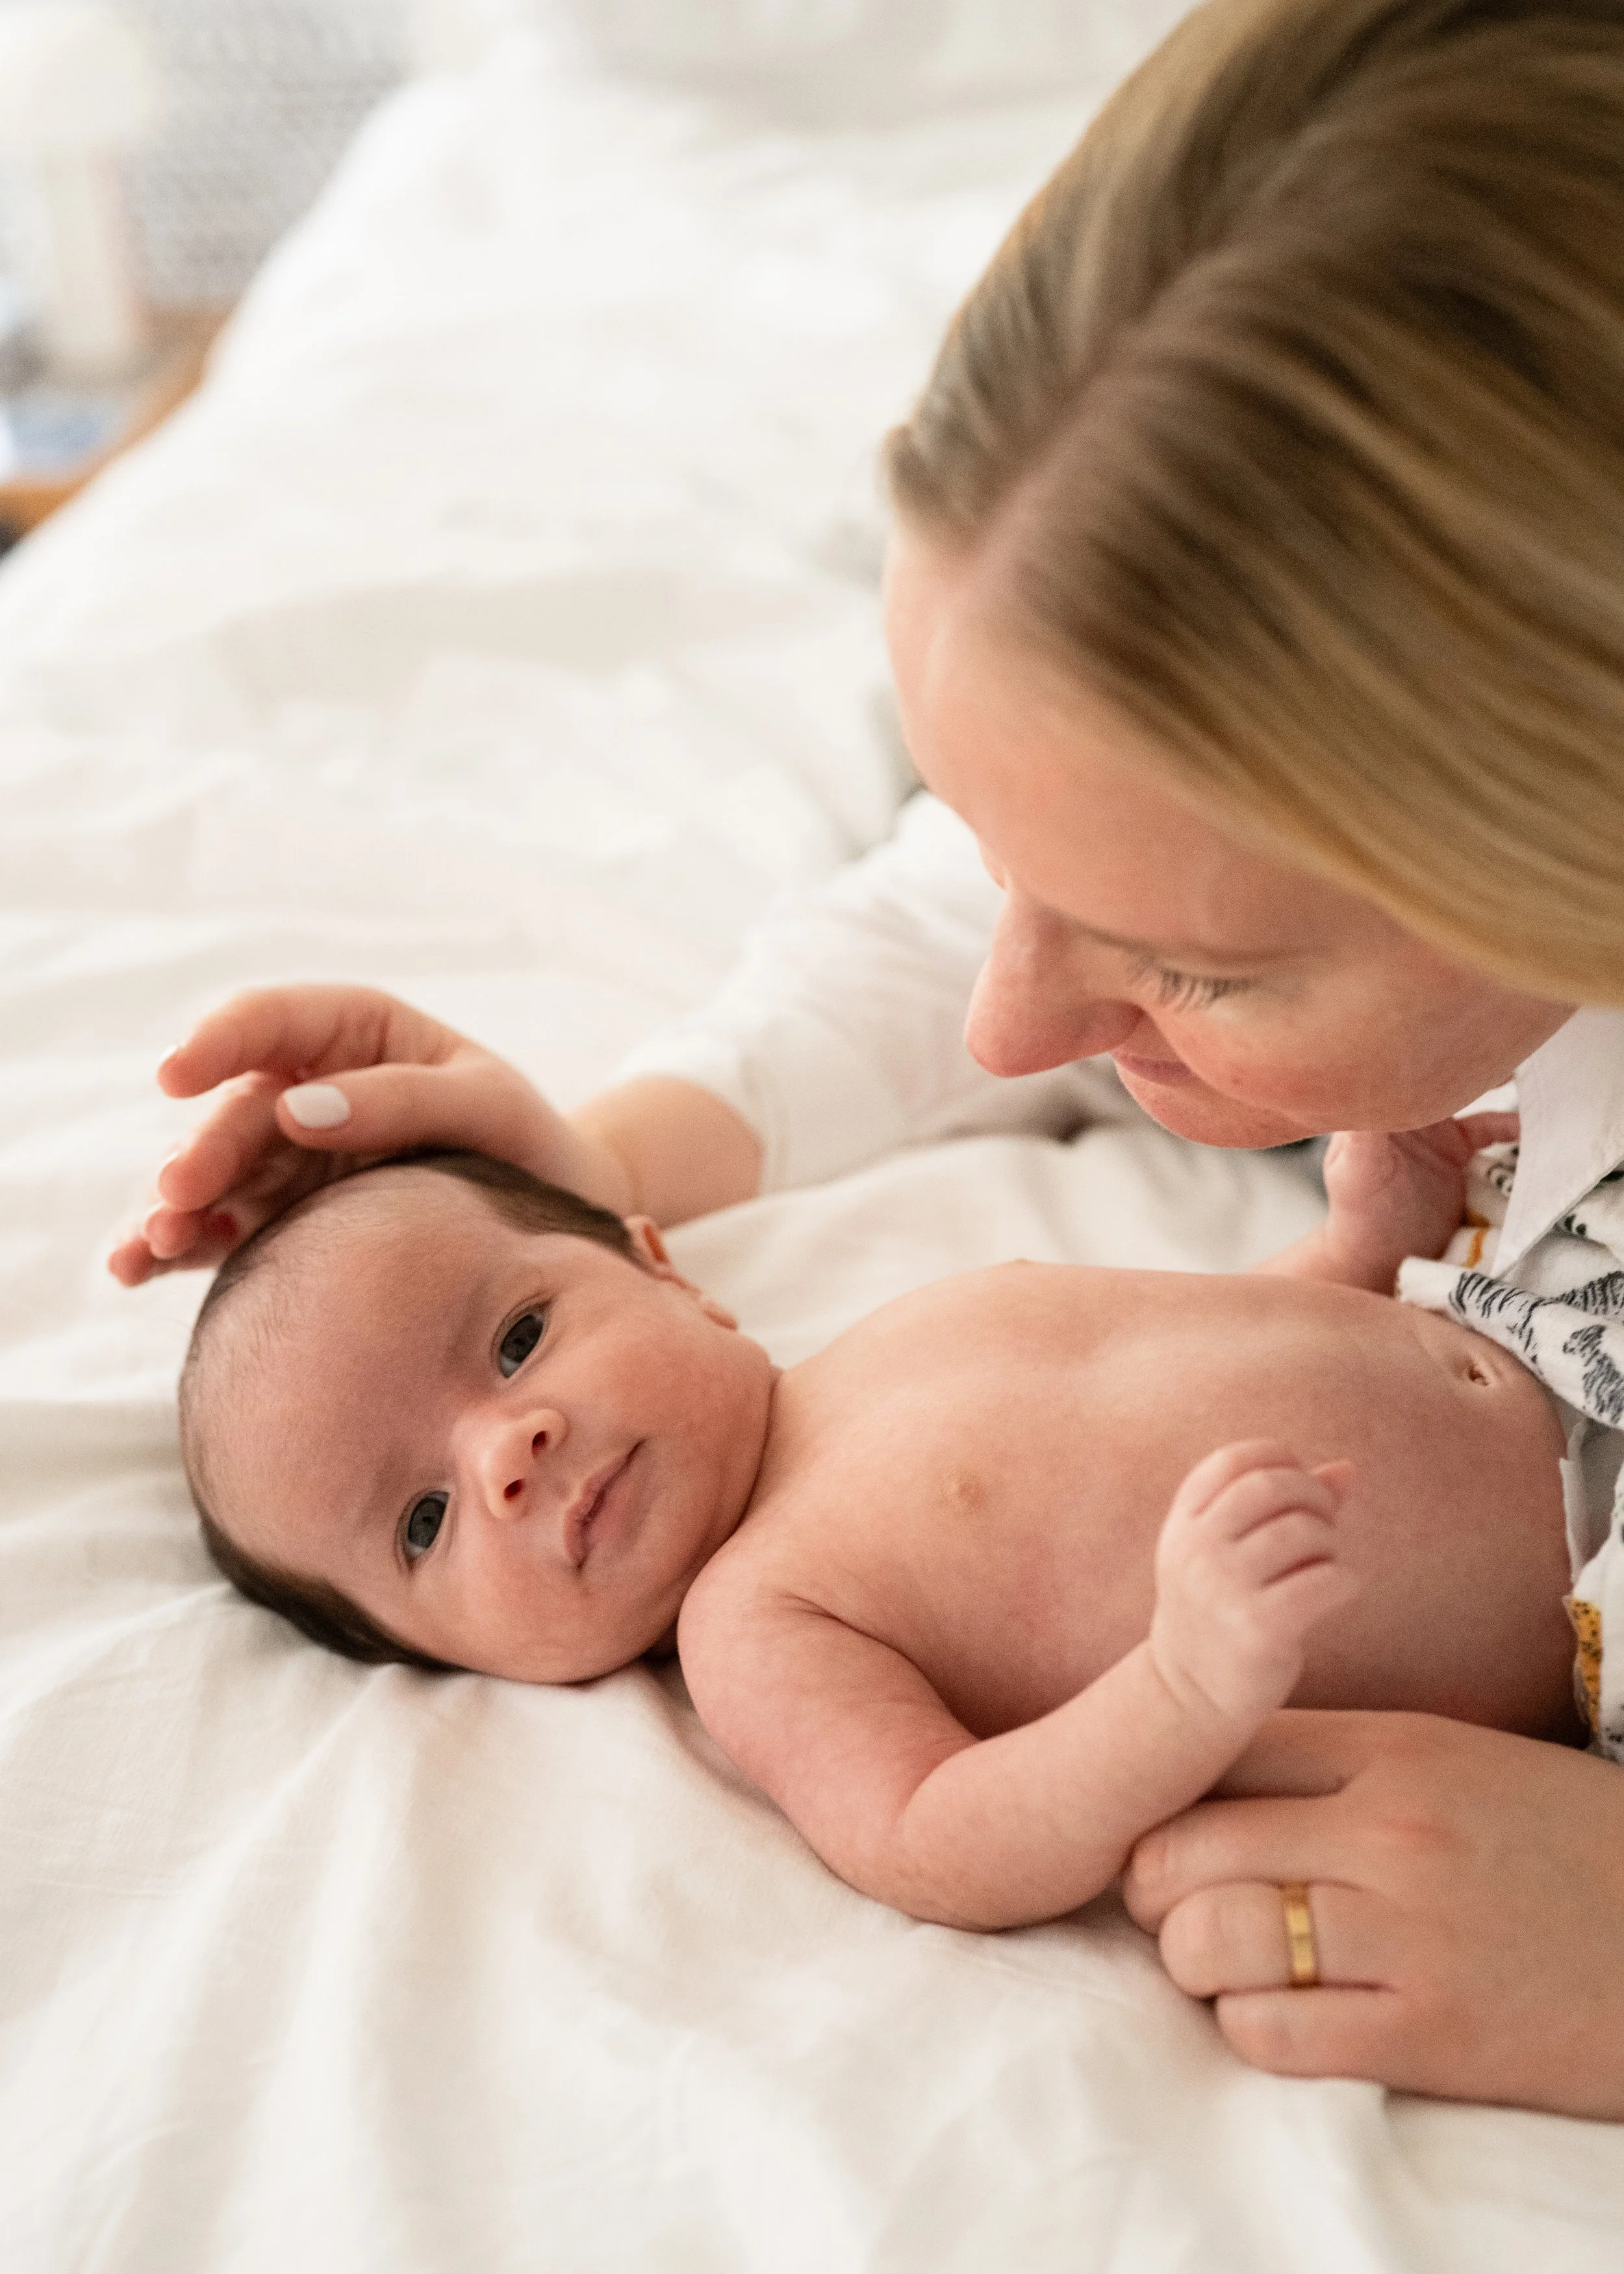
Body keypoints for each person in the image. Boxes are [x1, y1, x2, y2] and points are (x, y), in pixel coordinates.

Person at [108, 0, 1624, 2114]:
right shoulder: (779, 1597)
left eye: (1195, 965)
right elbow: (948, 1804)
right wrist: (595, 1152)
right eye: (993, 839)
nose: (1006, 1027)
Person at [177, 1138, 1576, 1941]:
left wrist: (1355, 1246)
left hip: (1538, 1312)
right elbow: (935, 1835)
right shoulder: (754, 1620)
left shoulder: (882, 1340)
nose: (505, 1453)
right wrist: (1182, 1680)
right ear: (438, 1656)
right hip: (1582, 1595)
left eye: (517, 1338)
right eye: (423, 1521)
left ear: (664, 1271)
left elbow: (1192, 1341)